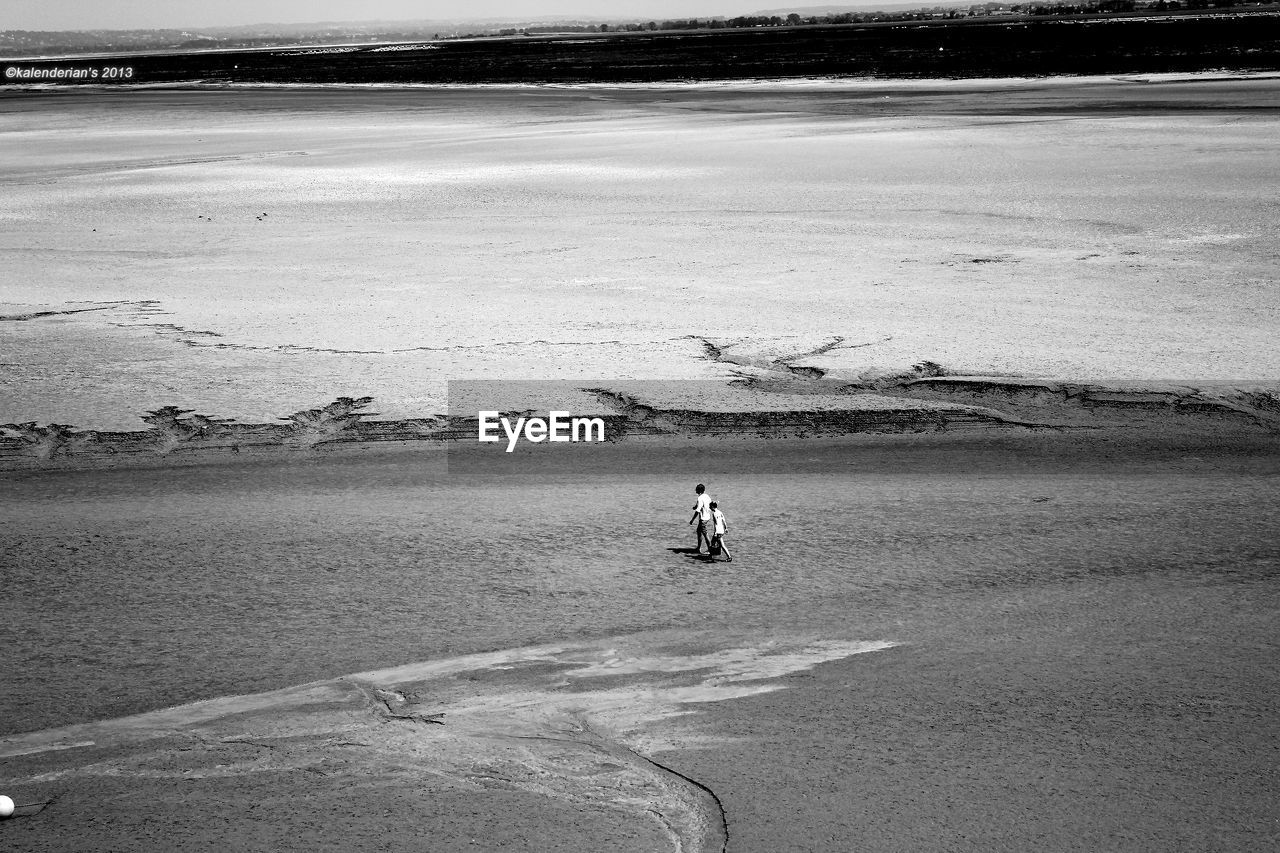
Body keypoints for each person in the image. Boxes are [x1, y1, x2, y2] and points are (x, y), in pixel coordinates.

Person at [688, 483, 713, 553]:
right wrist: (695, 507)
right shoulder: (707, 496)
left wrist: (692, 520)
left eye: (696, 489)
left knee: (705, 534)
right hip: (708, 516)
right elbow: (702, 505)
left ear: (699, 491)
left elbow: (697, 511)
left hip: (703, 519)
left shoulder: (700, 498)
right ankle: (698, 548)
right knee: (699, 532)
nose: (695, 491)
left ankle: (710, 550)